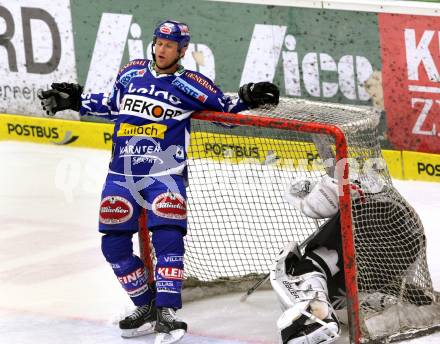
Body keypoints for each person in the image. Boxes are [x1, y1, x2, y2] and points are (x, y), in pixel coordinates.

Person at [38, 20, 279, 344]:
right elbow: (113, 105)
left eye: (169, 45)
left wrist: (249, 96)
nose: (162, 49)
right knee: (113, 244)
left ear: (182, 51)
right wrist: (75, 100)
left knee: (167, 239)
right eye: (158, 43)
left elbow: (225, 109)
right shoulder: (132, 71)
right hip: (121, 173)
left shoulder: (192, 84)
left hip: (164, 175)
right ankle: (145, 306)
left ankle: (167, 312)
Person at [271, 174, 429, 344]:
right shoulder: (364, 181)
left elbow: (325, 201)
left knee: (303, 267)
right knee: (338, 283)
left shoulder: (347, 185)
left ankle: (317, 319)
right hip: (409, 245)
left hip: (378, 224)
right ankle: (395, 296)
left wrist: (311, 197)